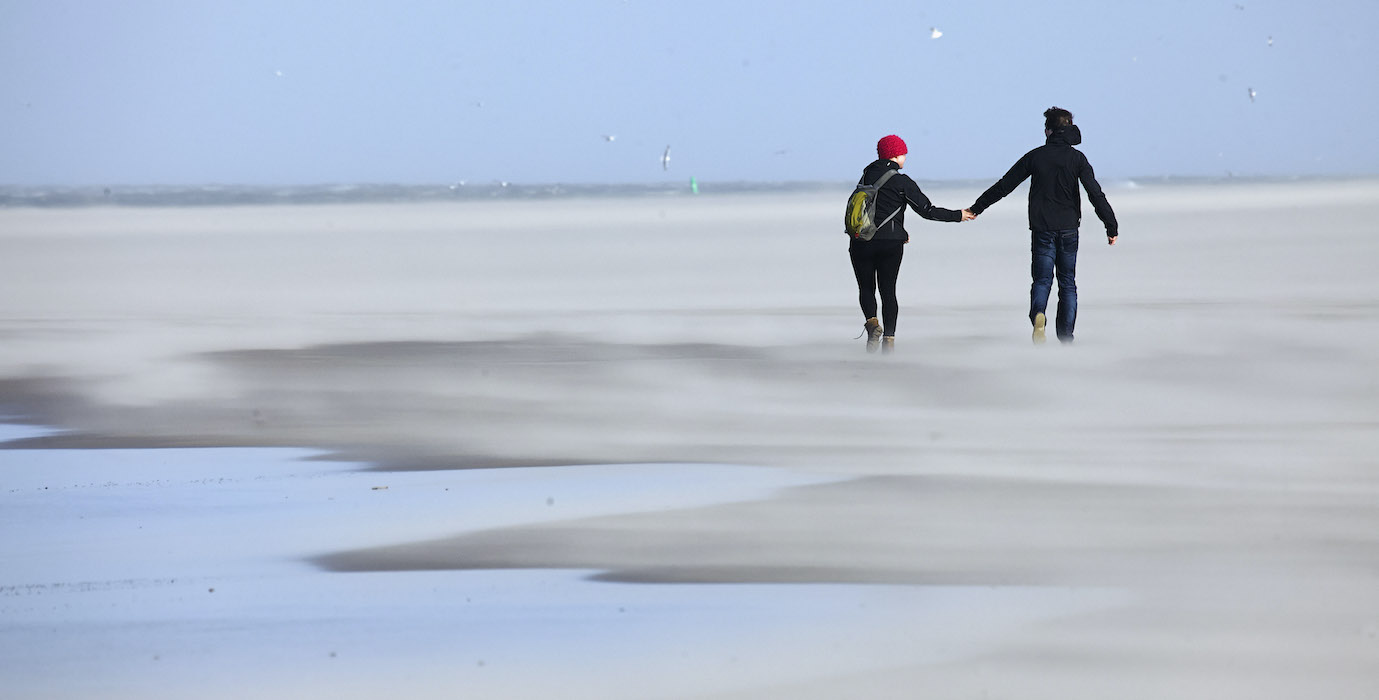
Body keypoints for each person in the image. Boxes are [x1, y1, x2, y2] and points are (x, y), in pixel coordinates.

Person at [968, 107, 1118, 344]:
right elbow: (1095, 194)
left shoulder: (1035, 156)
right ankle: (1066, 337)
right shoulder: (1077, 158)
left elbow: (1004, 185)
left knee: (1042, 280)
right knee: (1067, 282)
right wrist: (1111, 226)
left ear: (1048, 131)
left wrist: (976, 208)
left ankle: (1039, 314)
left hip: (1042, 229)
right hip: (1069, 228)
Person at [851, 134, 974, 354]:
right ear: (896, 155)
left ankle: (872, 324)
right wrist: (958, 215)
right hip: (891, 244)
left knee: (866, 288)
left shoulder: (865, 177)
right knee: (888, 291)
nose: (905, 158)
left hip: (861, 242)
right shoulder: (902, 181)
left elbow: (872, 211)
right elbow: (927, 211)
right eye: (903, 154)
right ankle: (889, 342)